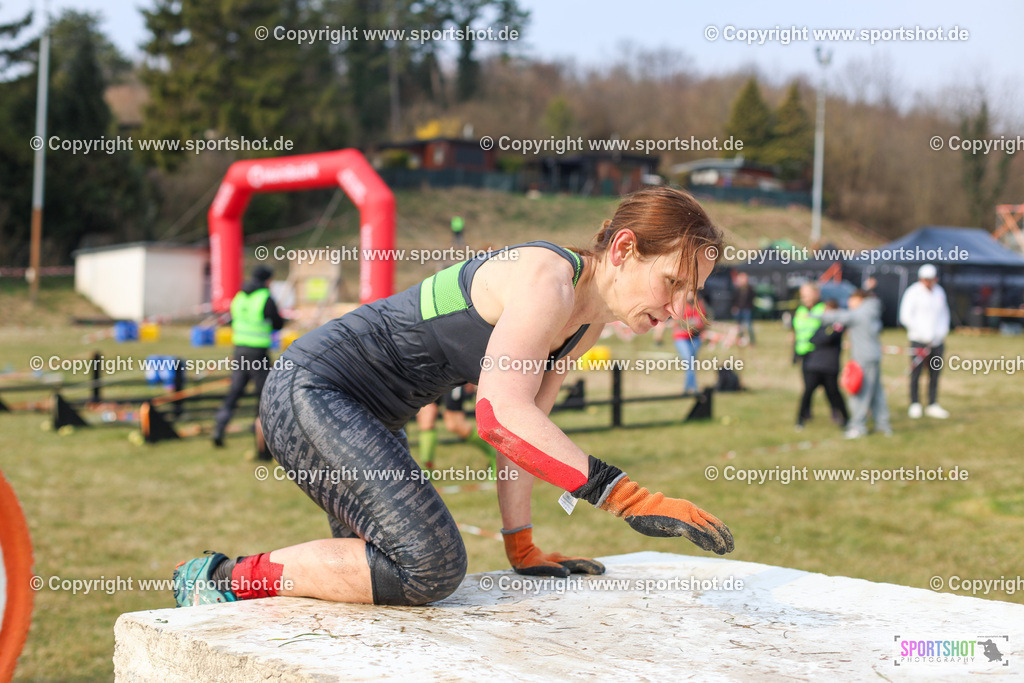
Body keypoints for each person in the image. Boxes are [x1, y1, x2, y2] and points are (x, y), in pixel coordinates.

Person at [173, 187, 734, 608]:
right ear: (624, 248)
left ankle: (227, 580)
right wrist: (627, 498)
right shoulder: (549, 280)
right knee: (431, 566)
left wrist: (521, 545)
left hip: (364, 413)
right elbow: (498, 415)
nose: (680, 306)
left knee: (389, 573)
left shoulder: (585, 322)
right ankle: (218, 579)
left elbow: (524, 430)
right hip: (313, 390)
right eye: (673, 282)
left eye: (692, 292)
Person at [212, 265, 285, 448]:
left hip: (239, 351)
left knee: (234, 392)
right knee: (263, 396)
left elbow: (233, 320)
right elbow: (277, 323)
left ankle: (219, 428)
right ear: (267, 280)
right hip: (258, 353)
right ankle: (261, 440)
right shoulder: (265, 298)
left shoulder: (240, 296)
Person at [820, 290, 891, 439]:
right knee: (877, 393)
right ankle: (883, 425)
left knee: (860, 393)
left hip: (864, 358)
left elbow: (839, 316)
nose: (849, 302)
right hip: (873, 356)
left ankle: (858, 427)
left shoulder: (860, 314)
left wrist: (813, 315)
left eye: (851, 299)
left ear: (860, 299)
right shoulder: (872, 310)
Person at [792, 284, 848, 430]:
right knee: (808, 389)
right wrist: (795, 352)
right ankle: (805, 415)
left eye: (807, 294)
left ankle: (838, 414)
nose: (804, 297)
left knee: (831, 390)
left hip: (822, 356)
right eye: (802, 294)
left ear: (816, 294)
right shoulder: (800, 310)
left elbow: (829, 332)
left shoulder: (823, 309)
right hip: (806, 354)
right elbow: (798, 332)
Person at [898, 264, 950, 419]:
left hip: (937, 341)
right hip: (919, 340)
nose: (928, 282)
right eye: (926, 279)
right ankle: (915, 403)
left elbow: (944, 315)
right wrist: (924, 335)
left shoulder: (940, 292)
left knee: (934, 374)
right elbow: (906, 316)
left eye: (931, 279)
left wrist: (939, 335)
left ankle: (932, 403)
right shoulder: (913, 292)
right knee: (916, 373)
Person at [415, 384, 497, 477]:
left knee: (454, 424)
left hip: (452, 377)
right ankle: (426, 470)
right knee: (426, 416)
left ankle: (496, 456)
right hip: (431, 376)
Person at [671, 291, 707, 395]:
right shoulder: (679, 306)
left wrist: (697, 325)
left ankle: (688, 388)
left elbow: (703, 320)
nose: (691, 295)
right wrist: (690, 323)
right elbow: (676, 321)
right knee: (689, 361)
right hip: (681, 337)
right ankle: (693, 389)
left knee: (691, 363)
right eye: (689, 292)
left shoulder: (699, 304)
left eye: (693, 292)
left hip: (695, 337)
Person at [731, 271, 756, 345]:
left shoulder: (750, 289)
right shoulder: (736, 289)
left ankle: (752, 341)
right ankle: (740, 339)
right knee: (739, 326)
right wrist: (734, 307)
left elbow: (752, 299)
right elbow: (734, 299)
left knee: (748, 325)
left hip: (747, 309)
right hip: (739, 309)